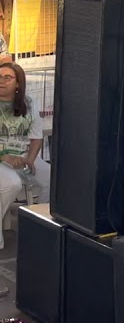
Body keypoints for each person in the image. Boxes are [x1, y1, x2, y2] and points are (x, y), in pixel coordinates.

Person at [0, 62, 43, 250]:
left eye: (7, 77)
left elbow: (37, 137)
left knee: (54, 179)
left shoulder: (29, 103)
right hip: (2, 159)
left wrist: (29, 161)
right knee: (12, 183)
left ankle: (41, 230)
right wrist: (5, 157)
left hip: (23, 157)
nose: (1, 81)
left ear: (18, 83)